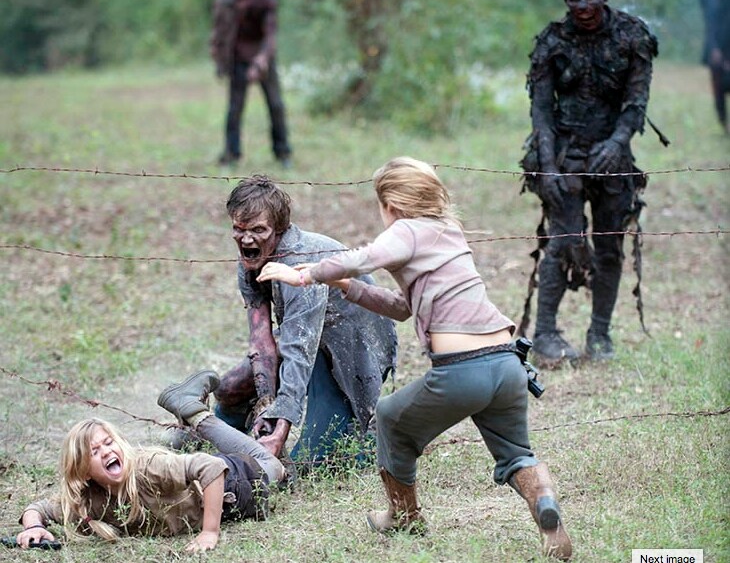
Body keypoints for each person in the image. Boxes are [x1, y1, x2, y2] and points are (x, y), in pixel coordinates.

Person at [258, 157, 573, 560]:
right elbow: (403, 307)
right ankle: (543, 500)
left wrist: (305, 274)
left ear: (390, 204)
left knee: (390, 417)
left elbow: (365, 256)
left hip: (463, 370)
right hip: (507, 364)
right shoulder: (448, 231)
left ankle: (403, 515)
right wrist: (346, 285)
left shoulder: (406, 230)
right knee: (516, 455)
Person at [209, 176, 397, 471]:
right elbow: (261, 342)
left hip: (350, 350)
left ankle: (376, 438)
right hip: (306, 336)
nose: (246, 240)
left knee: (312, 462)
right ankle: (214, 436)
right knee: (229, 387)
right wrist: (266, 405)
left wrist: (280, 429)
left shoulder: (299, 263)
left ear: (278, 229)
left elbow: (299, 352)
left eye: (258, 230)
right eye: (239, 229)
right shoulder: (249, 263)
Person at [520, 0, 658, 364]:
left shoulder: (632, 36)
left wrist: (616, 144)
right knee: (562, 241)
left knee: (610, 245)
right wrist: (548, 168)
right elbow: (541, 111)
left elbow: (636, 102)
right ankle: (545, 334)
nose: (583, 7)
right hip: (564, 152)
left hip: (613, 155)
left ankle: (600, 334)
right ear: (566, 0)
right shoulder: (552, 41)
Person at [16, 371, 285, 552]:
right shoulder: (91, 500)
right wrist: (34, 527)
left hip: (233, 483)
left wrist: (209, 532)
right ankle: (187, 426)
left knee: (276, 468)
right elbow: (39, 508)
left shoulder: (146, 467)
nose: (106, 451)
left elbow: (212, 468)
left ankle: (195, 414)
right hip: (202, 479)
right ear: (84, 472)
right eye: (94, 452)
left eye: (108, 443)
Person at [210, 0, 292, 166]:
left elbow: (270, 34)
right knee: (235, 109)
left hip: (263, 59)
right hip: (237, 60)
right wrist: (219, 58)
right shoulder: (225, 1)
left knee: (276, 105)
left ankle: (283, 152)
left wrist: (262, 59)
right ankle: (231, 154)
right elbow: (218, 33)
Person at [698, 0, 730, 133]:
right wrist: (714, 49)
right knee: (718, 89)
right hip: (716, 49)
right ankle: (723, 123)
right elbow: (711, 27)